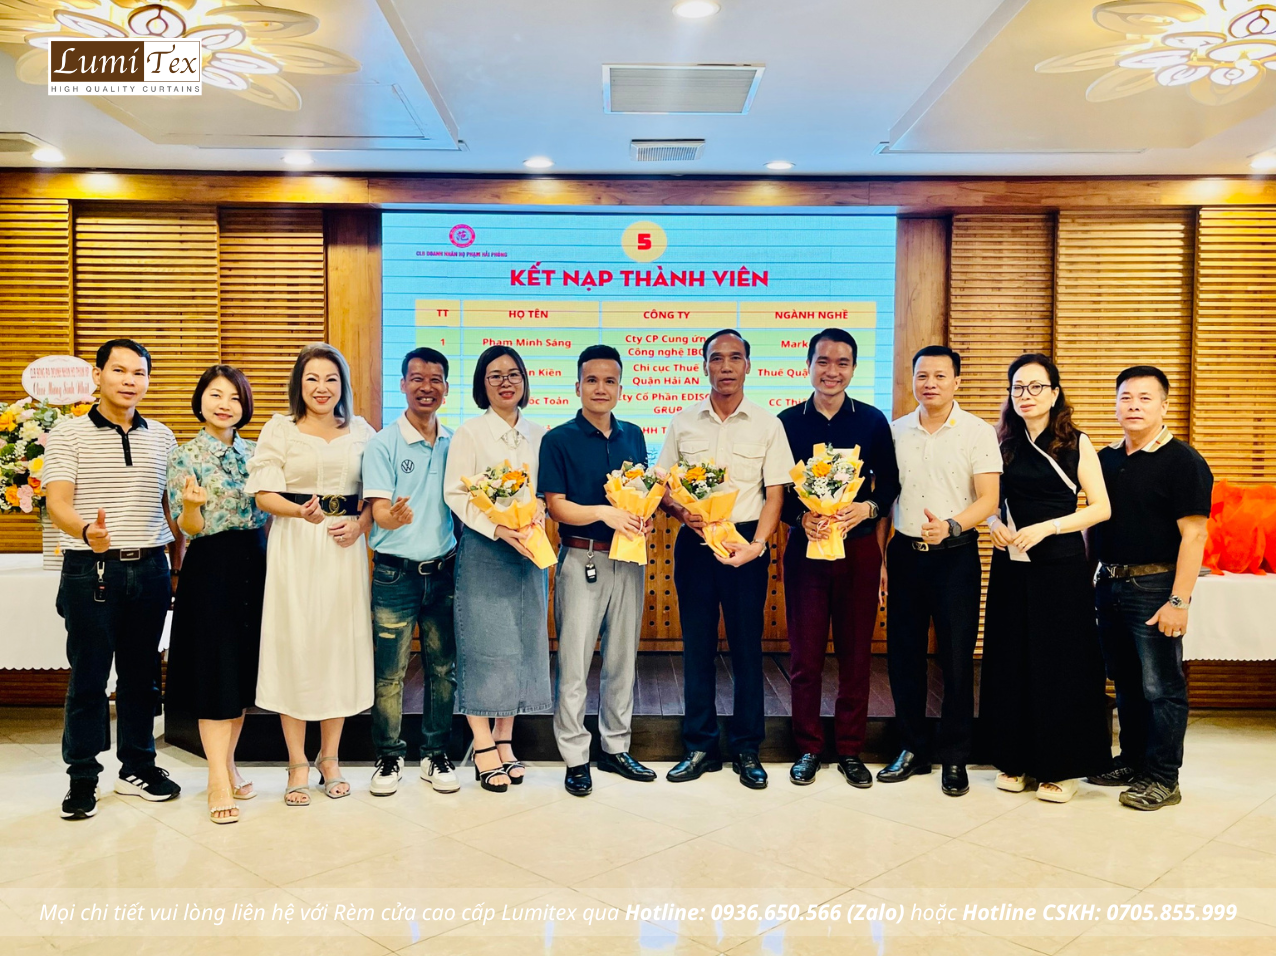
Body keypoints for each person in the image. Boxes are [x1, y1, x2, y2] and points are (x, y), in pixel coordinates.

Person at [43, 338, 183, 819]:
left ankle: (138, 767)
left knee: (142, 676)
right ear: (97, 375)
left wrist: (178, 564)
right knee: (89, 677)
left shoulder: (162, 436)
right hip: (91, 568)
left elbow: (171, 507)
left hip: (151, 566)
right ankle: (82, 777)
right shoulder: (69, 433)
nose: (129, 381)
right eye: (119, 370)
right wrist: (87, 531)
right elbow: (57, 502)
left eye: (139, 373)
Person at [656, 329, 796, 790]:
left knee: (747, 649)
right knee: (696, 648)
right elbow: (663, 489)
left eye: (735, 358)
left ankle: (747, 748)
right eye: (717, 358)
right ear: (705, 367)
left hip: (745, 548)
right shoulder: (683, 422)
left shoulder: (767, 424)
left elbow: (775, 494)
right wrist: (682, 512)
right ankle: (699, 747)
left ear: (748, 366)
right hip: (695, 547)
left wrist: (757, 545)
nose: (726, 366)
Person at [979, 353, 1114, 804]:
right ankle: (1014, 758)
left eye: (1037, 386)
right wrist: (992, 523)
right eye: (1018, 387)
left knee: (1061, 662)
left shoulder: (1076, 442)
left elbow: (1101, 508)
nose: (1027, 395)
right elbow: (986, 500)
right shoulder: (1000, 440)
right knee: (1011, 657)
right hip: (1011, 563)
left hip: (1060, 565)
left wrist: (1050, 527)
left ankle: (1063, 767)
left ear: (1055, 393)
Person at [246, 343, 375, 806]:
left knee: (337, 645)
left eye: (331, 379)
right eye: (312, 379)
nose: (322, 388)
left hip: (344, 547)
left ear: (343, 385)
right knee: (296, 644)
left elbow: (375, 495)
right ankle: (297, 762)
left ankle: (330, 757)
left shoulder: (361, 430)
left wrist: (360, 525)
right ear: (298, 385)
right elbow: (263, 494)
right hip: (295, 544)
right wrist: (299, 513)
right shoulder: (280, 428)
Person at [1087, 365, 1212, 811]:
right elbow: (1094, 524)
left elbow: (1194, 536)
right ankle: (1133, 760)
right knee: (1125, 682)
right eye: (1126, 397)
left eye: (1145, 398)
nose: (1134, 406)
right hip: (1109, 583)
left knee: (1162, 687)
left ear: (1164, 405)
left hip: (1155, 587)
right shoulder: (1104, 459)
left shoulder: (1183, 461)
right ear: (1115, 404)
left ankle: (1163, 778)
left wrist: (1179, 601)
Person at [778, 328, 899, 788]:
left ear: (853, 368)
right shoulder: (787, 422)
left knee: (855, 654)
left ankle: (850, 749)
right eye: (823, 361)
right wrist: (799, 517)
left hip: (859, 549)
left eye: (842, 363)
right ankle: (808, 747)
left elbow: (890, 484)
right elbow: (776, 491)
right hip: (806, 551)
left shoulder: (871, 421)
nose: (832, 371)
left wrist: (867, 508)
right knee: (805, 656)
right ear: (808, 365)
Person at [880, 345, 1000, 797]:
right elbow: (886, 501)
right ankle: (912, 749)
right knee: (903, 657)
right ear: (912, 380)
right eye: (922, 375)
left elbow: (988, 499)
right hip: (905, 555)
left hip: (956, 556)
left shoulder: (977, 432)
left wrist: (950, 526)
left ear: (957, 382)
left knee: (956, 659)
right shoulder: (895, 431)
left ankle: (955, 756)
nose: (930, 383)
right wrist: (882, 562)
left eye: (940, 375)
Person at [540, 344, 656, 797]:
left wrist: (642, 516)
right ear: (578, 386)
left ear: (620, 387)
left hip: (629, 559)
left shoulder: (634, 436)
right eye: (592, 380)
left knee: (622, 660)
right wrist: (604, 514)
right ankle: (575, 756)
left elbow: (640, 493)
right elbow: (556, 507)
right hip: (581, 558)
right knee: (574, 664)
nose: (601, 388)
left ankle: (615, 747)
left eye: (610, 381)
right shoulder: (558, 439)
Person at [443, 345, 552, 793]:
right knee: (482, 646)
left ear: (524, 381)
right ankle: (483, 743)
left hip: (530, 549)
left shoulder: (540, 433)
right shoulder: (469, 433)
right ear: (482, 385)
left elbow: (546, 491)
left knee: (522, 645)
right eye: (495, 376)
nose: (506, 382)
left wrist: (538, 511)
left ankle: (505, 739)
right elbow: (455, 493)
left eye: (513, 374)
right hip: (485, 549)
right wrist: (498, 528)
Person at [165, 365, 268, 824]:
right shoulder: (184, 456)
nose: (225, 404)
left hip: (256, 562)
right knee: (215, 672)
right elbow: (188, 528)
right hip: (210, 568)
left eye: (234, 397)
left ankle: (229, 765)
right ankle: (216, 778)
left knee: (241, 673)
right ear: (200, 400)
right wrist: (191, 506)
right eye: (215, 395)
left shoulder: (257, 453)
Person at [362, 347, 460, 797]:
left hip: (443, 572)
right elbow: (379, 510)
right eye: (417, 378)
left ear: (445, 388)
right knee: (390, 674)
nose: (426, 387)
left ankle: (436, 753)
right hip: (394, 576)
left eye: (435, 379)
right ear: (402, 384)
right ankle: (389, 755)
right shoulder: (383, 444)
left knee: (443, 670)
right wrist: (392, 517)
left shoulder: (454, 442)